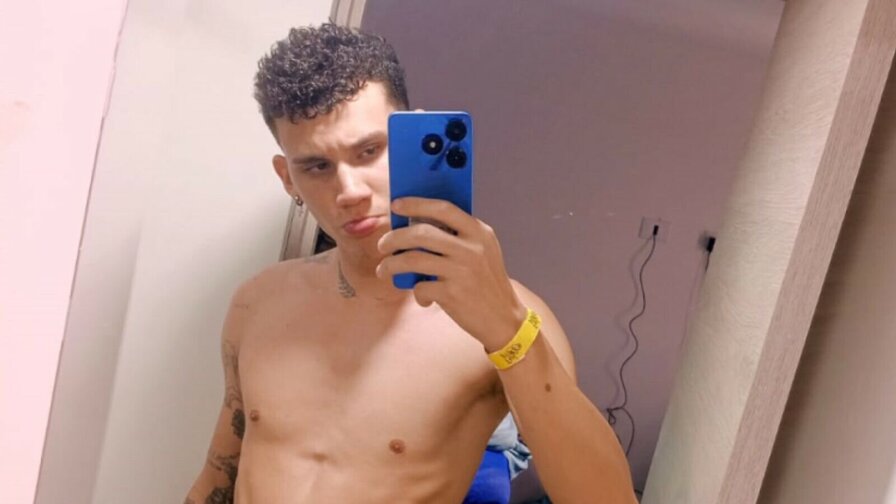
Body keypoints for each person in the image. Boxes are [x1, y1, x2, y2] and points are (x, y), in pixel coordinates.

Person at [184, 23, 635, 504]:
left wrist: (507, 330)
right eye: (317, 166)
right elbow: (218, 476)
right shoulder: (258, 302)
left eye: (369, 151)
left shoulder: (513, 318)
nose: (349, 191)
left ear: (407, 141)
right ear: (287, 177)